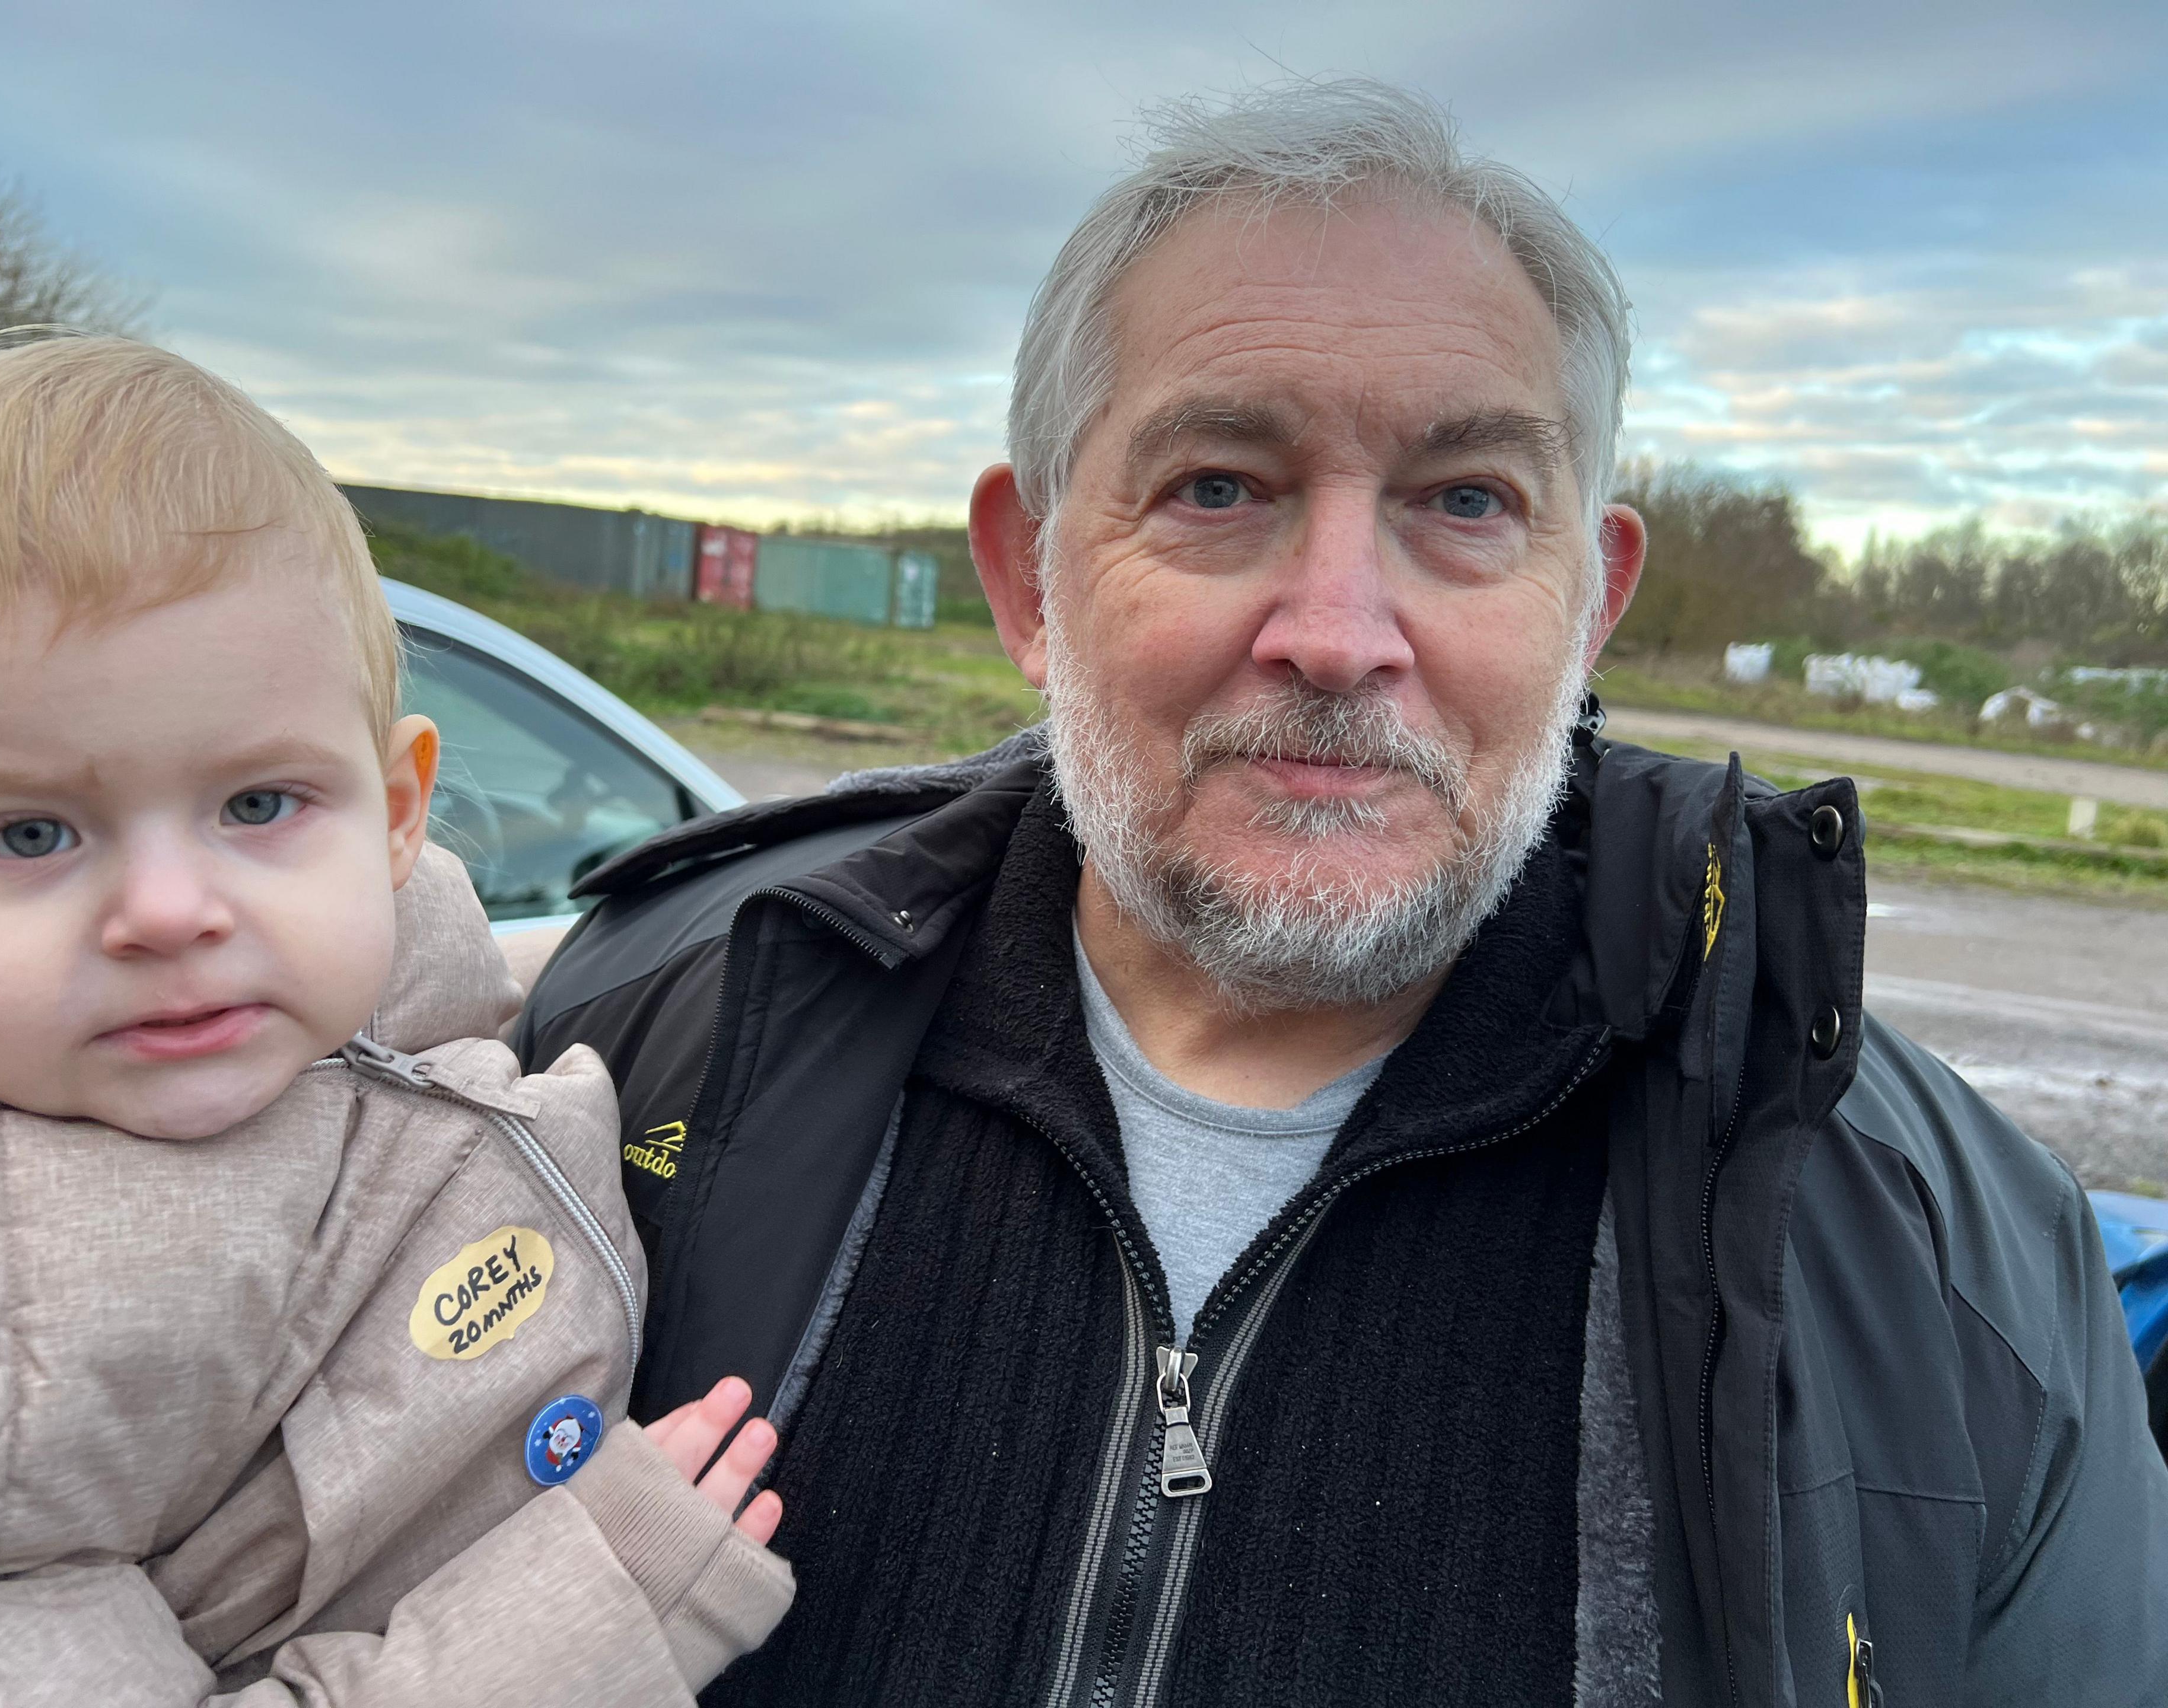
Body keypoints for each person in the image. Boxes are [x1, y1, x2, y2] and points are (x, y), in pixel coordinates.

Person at [517, 80, 2168, 1707]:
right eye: (1219, 486)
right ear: (1030, 579)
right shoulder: (642, 1056)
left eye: (1466, 502)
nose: (1339, 630)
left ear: (1589, 605)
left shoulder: (1937, 1250)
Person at [0, 335, 793, 1703]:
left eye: (258, 805)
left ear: (393, 816)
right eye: (30, 832)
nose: (171, 910)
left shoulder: (394, 990)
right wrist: (602, 1606)